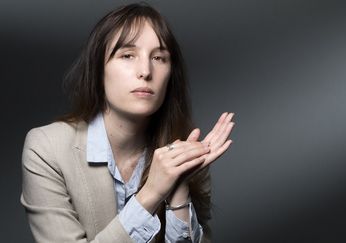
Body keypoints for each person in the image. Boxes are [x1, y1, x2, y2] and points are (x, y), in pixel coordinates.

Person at [20, 3, 234, 243]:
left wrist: (179, 190)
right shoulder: (47, 148)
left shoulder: (182, 153)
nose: (145, 71)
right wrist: (152, 192)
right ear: (99, 70)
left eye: (159, 57)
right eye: (127, 55)